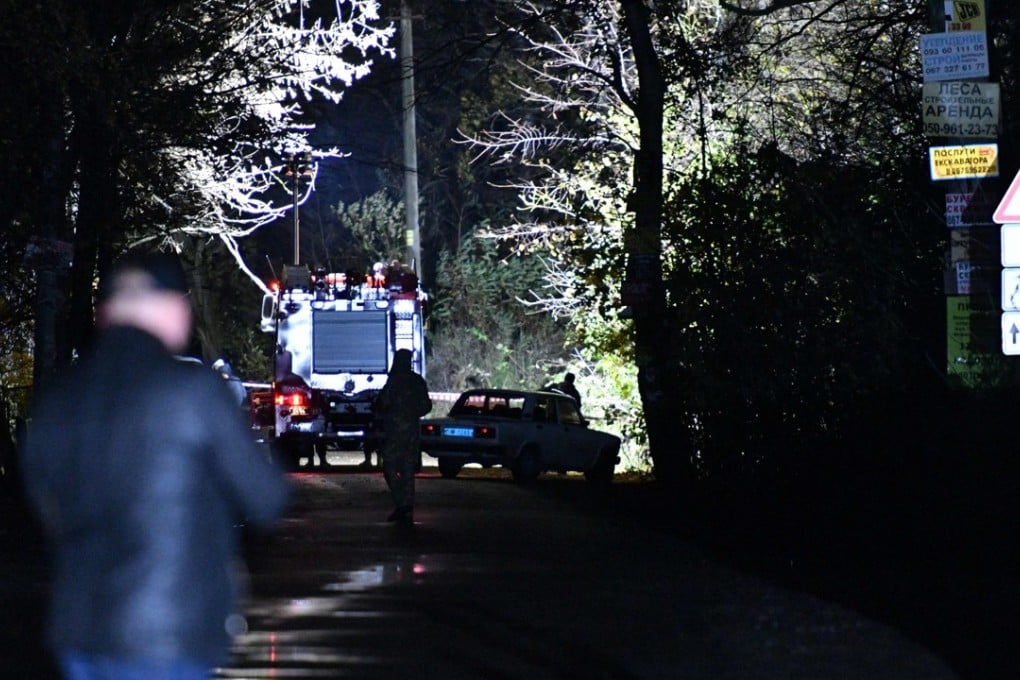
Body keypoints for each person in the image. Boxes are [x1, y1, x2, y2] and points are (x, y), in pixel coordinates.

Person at [19, 251, 290, 680]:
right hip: (168, 633)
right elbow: (266, 497)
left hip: (79, 631)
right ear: (169, 309)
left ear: (106, 314)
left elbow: (42, 500)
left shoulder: (59, 396)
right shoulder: (192, 389)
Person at [373, 349, 431, 525]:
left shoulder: (394, 381)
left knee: (391, 468)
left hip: (394, 433)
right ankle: (406, 507)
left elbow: (382, 403)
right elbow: (426, 406)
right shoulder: (417, 381)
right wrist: (412, 413)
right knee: (407, 471)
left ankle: (402, 505)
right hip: (411, 434)